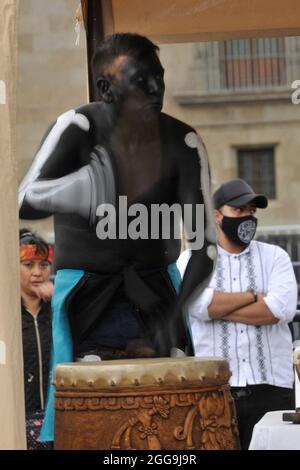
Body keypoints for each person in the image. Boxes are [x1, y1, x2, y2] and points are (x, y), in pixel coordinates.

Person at [18, 33, 216, 441]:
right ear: (106, 88)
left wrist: (173, 313)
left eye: (159, 77)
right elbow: (23, 199)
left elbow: (204, 248)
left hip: (159, 295)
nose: (157, 89)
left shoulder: (184, 143)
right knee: (85, 425)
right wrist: (80, 188)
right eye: (141, 79)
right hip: (85, 298)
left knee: (173, 428)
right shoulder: (76, 127)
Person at [177, 178, 297, 450]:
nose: (247, 218)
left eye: (252, 211)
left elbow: (282, 309)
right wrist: (255, 296)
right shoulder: (192, 260)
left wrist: (216, 309)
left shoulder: (275, 256)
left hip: (272, 387)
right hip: (213, 388)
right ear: (217, 216)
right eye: (239, 211)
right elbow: (196, 306)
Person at [19, 229, 53, 449]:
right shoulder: (5, 314)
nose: (37, 272)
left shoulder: (58, 307)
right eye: (29, 265)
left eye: (44, 265)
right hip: (16, 419)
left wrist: (59, 299)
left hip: (54, 419)